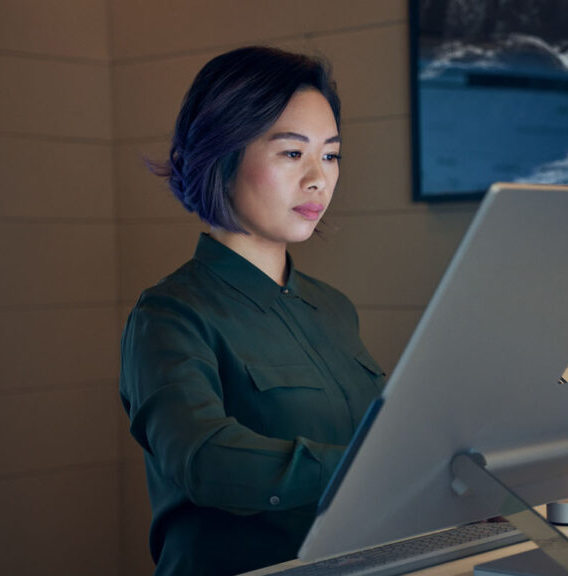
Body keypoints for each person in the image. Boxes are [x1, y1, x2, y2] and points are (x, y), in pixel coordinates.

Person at [119, 46, 387, 576]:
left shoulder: (333, 308)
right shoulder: (170, 315)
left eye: (330, 154)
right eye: (292, 153)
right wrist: (378, 468)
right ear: (222, 155)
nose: (318, 178)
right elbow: (207, 460)